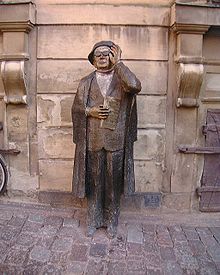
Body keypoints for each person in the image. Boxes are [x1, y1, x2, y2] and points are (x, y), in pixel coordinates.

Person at [72, 41, 141, 238]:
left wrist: (119, 64)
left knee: (113, 183)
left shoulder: (123, 80)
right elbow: (76, 109)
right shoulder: (85, 83)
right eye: (98, 54)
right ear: (92, 60)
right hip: (93, 140)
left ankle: (112, 221)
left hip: (116, 140)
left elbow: (136, 86)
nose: (102, 57)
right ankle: (93, 219)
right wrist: (89, 110)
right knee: (94, 183)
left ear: (113, 56)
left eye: (107, 53)